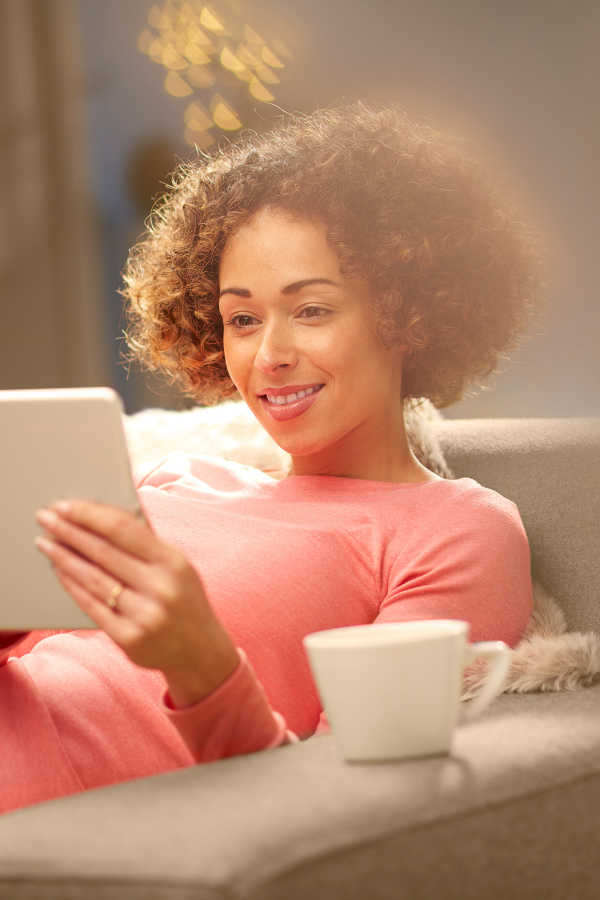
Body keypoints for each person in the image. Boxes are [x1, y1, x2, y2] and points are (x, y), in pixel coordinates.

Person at [0, 103, 545, 815]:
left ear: (409, 317)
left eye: (312, 310)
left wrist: (201, 662)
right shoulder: (175, 478)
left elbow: (348, 813)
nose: (270, 356)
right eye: (242, 319)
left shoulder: (455, 530)